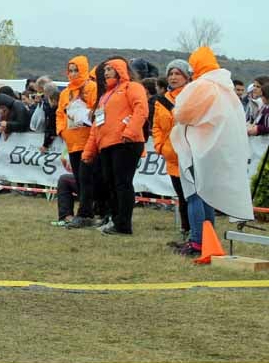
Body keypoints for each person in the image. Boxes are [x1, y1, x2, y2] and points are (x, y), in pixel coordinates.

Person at [171, 47, 255, 255]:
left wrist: (176, 111)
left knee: (194, 195)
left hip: (199, 149)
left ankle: (198, 240)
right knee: (206, 194)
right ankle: (207, 239)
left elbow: (183, 114)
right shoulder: (225, 88)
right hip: (216, 149)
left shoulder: (202, 86)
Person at [82, 57, 148, 236]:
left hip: (127, 143)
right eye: (105, 70)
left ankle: (123, 224)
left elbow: (141, 109)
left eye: (110, 69)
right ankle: (115, 219)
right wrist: (89, 151)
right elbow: (97, 125)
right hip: (107, 145)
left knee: (122, 183)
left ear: (120, 69)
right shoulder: (105, 96)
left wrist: (130, 132)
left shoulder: (133, 87)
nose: (106, 72)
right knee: (110, 184)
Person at [152, 60, 192, 248]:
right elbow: (157, 126)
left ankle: (195, 233)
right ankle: (186, 231)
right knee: (181, 197)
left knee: (191, 197)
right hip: (171, 156)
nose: (174, 77)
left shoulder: (192, 96)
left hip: (190, 155)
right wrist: (160, 146)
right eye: (171, 74)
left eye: (178, 74)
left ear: (186, 77)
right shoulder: (161, 100)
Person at [56, 56, 99, 229]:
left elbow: (96, 110)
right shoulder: (65, 92)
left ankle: (87, 213)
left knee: (87, 178)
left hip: (88, 140)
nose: (73, 74)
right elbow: (60, 114)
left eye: (76, 70)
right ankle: (85, 212)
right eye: (70, 70)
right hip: (72, 142)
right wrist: (61, 131)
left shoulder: (92, 87)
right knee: (80, 180)